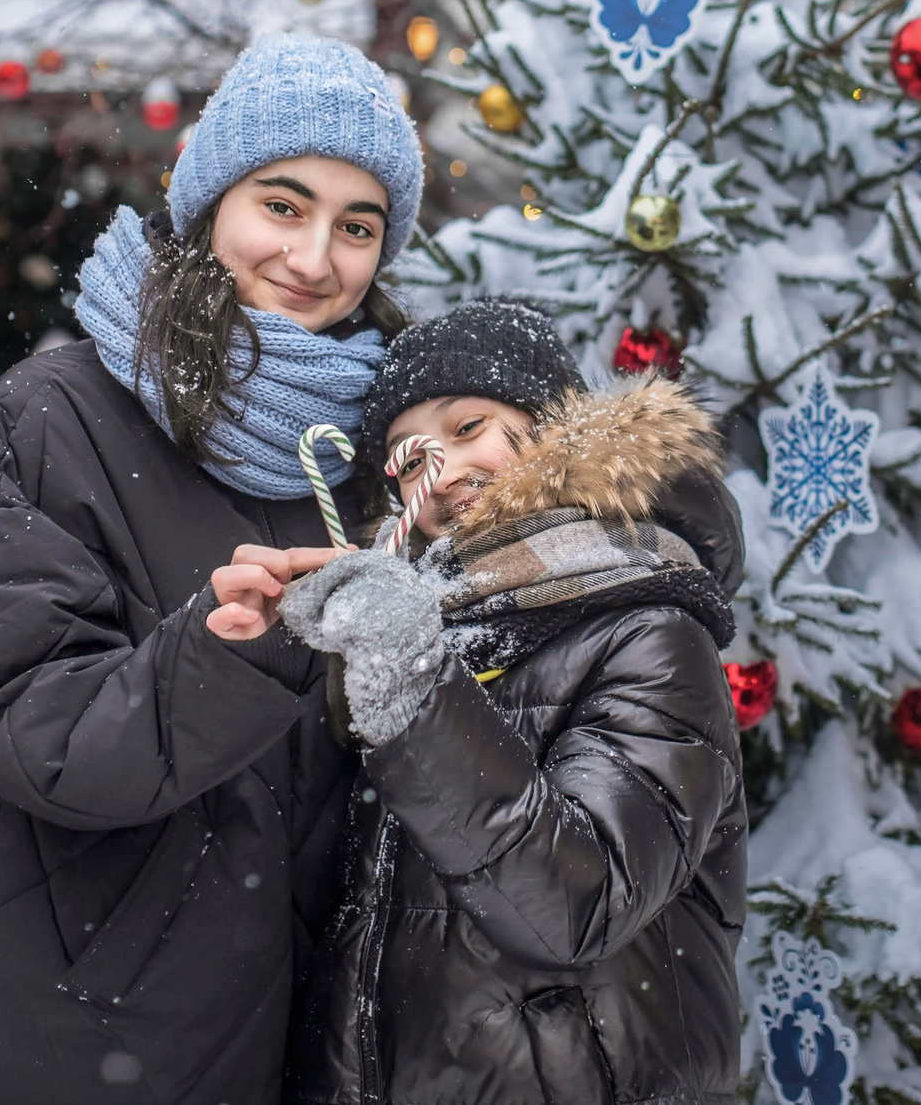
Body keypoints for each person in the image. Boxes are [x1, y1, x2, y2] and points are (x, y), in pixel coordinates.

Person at [0, 31, 424, 1105]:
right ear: (209, 202)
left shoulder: (382, 447)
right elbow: (30, 726)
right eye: (284, 204)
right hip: (88, 1021)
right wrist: (219, 653)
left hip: (314, 1030)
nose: (314, 258)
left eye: (359, 225)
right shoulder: (54, 416)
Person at [268, 299, 750, 1105]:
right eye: (411, 458)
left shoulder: (650, 632)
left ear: (553, 425)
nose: (445, 472)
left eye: (468, 428)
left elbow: (577, 904)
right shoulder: (429, 621)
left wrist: (413, 680)